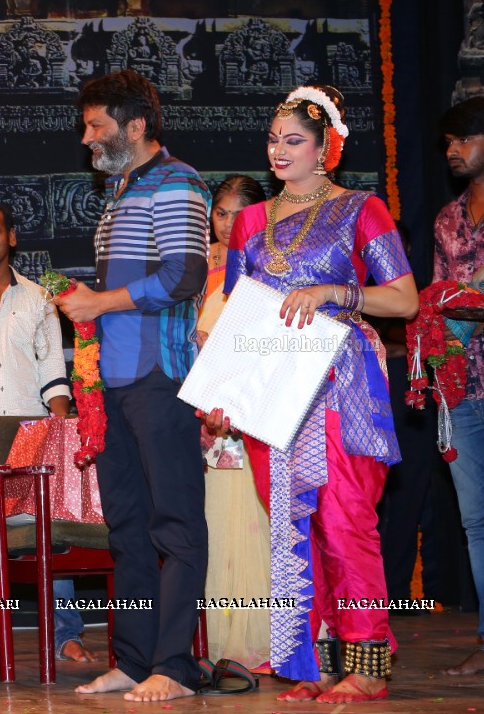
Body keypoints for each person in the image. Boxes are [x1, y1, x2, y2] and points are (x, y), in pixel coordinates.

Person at [206, 85, 418, 703]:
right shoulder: (250, 220)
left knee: (345, 519)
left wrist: (334, 294)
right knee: (292, 527)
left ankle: (369, 663)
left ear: (327, 147)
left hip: (338, 381)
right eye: (273, 139)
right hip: (272, 387)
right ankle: (320, 664)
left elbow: (403, 299)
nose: (279, 150)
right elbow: (238, 312)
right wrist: (223, 394)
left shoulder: (361, 209)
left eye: (293, 140)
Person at [54, 69, 210, 702]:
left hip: (160, 377)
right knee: (127, 527)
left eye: (98, 126)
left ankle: (175, 665)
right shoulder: (123, 190)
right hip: (113, 383)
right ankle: (135, 657)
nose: (88, 138)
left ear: (136, 126)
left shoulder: (176, 183)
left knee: (175, 525)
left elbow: (185, 277)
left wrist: (101, 301)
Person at [0, 201, 90, 663]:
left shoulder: (39, 298)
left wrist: (58, 432)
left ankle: (65, 635)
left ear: (12, 237)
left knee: (45, 540)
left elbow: (54, 372)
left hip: (28, 443)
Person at [196, 176, 273, 671]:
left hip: (252, 415)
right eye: (220, 213)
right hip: (206, 417)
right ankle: (223, 644)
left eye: (236, 215)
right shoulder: (199, 268)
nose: (227, 224)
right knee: (219, 526)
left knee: (255, 525)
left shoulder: (266, 268)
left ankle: (262, 641)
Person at [434, 95, 484, 676]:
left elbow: (463, 304)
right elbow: (437, 301)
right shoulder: (446, 220)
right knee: (477, 521)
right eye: (448, 142)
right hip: (462, 390)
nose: (453, 150)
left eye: (465, 139)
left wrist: (470, 307)